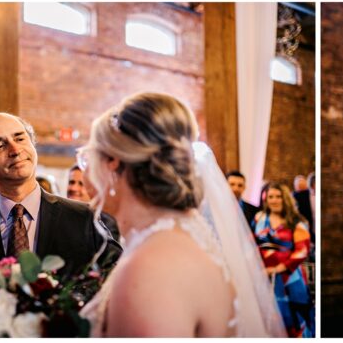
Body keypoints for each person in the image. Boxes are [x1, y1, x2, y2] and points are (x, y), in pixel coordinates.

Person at [77, 92, 285, 337]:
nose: (85, 169)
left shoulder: (151, 268)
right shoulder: (173, 240)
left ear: (112, 161)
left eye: (87, 157)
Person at [0, 113, 122, 302]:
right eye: (0, 145)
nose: (15, 150)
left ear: (32, 144)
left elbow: (118, 278)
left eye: (20, 138)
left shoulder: (83, 218)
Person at [254, 183, 314, 337]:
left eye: (278, 196)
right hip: (263, 276)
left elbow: (302, 251)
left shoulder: (296, 222)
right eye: (271, 197)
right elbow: (251, 242)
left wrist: (277, 269)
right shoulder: (259, 218)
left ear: (285, 199)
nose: (274, 200)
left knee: (293, 319)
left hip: (289, 277)